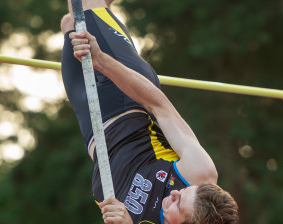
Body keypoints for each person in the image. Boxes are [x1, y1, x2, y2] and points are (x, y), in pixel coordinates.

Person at [61, 0, 239, 223]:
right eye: (183, 193)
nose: (175, 193)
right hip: (127, 98)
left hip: (92, 124)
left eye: (178, 205)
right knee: (86, 5)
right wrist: (102, 60)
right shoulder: (200, 174)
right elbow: (160, 106)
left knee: (70, 23)